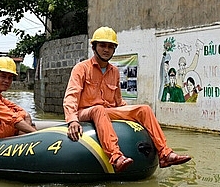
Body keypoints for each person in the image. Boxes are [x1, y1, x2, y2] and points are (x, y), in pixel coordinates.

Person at [63, 26, 192, 172]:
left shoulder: (115, 72)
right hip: (85, 112)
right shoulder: (81, 68)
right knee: (99, 110)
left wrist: (131, 115)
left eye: (110, 47)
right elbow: (71, 96)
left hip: (108, 112)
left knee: (144, 109)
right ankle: (115, 157)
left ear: (114, 49)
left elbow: (119, 102)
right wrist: (72, 120)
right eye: (102, 45)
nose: (106, 50)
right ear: (94, 47)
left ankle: (165, 153)